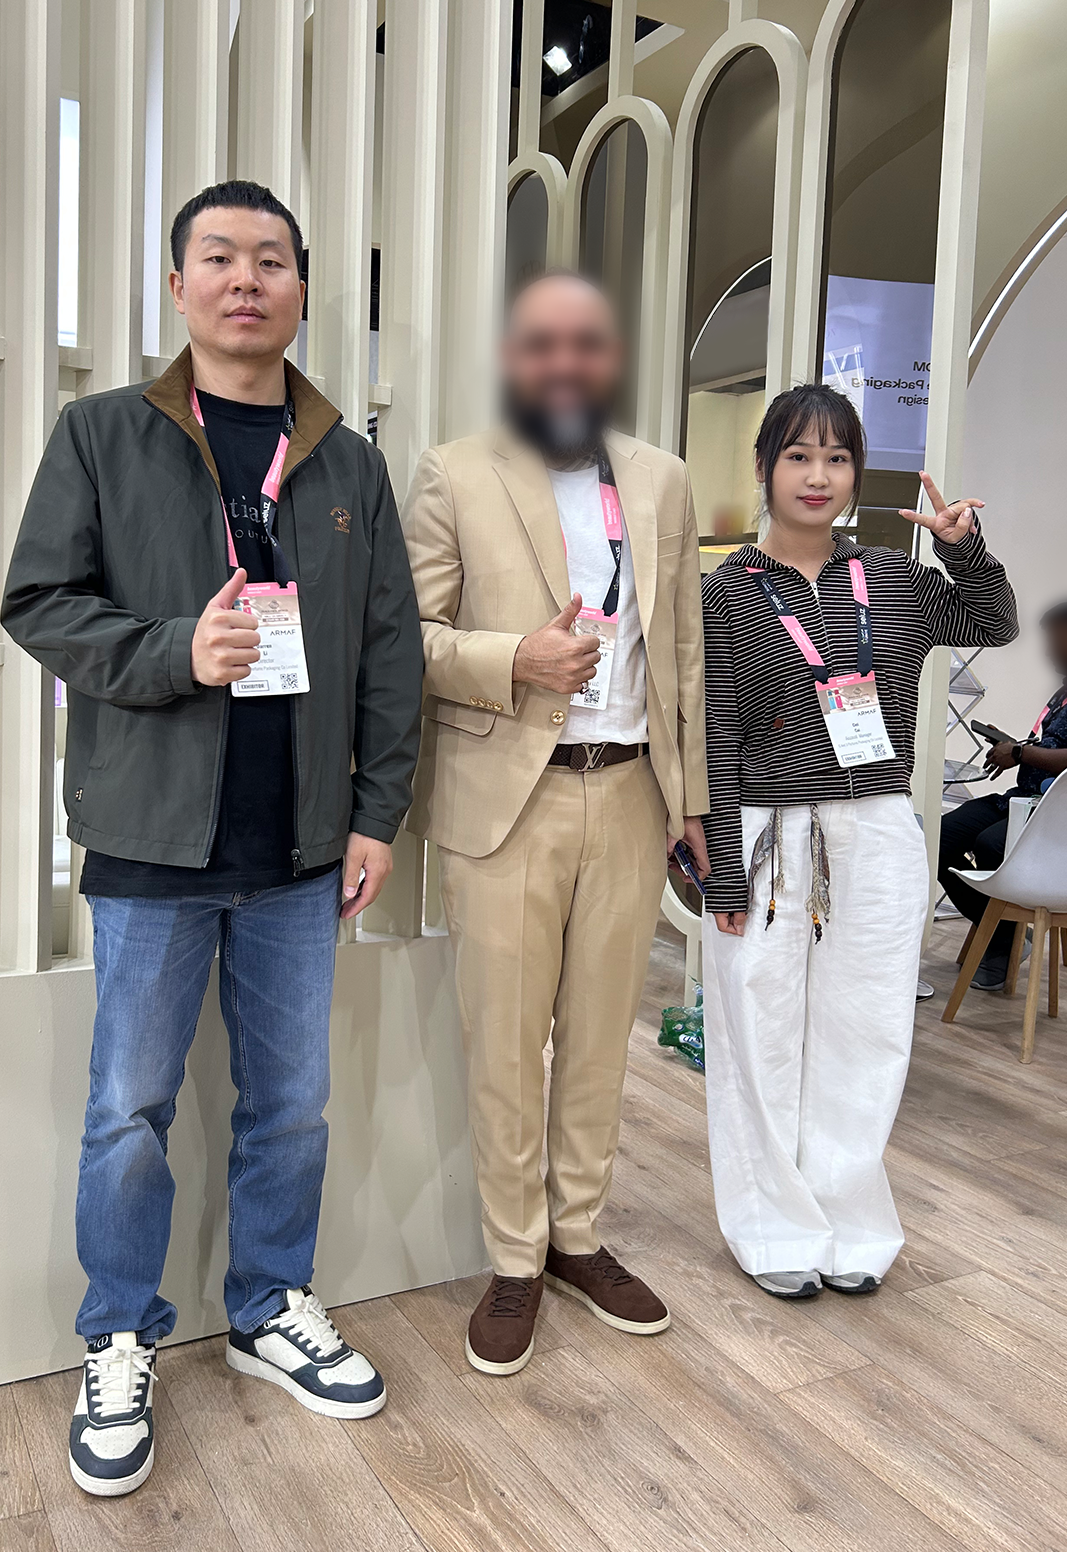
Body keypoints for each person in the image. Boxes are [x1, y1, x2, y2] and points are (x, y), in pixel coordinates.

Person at [2, 179, 423, 1496]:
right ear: (178, 286)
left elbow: (390, 651)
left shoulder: (345, 462)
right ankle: (118, 1334)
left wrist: (376, 813)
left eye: (271, 260)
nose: (247, 279)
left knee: (289, 1106)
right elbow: (38, 602)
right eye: (220, 258)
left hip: (299, 851)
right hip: (150, 843)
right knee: (127, 1111)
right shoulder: (102, 434)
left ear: (300, 289)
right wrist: (173, 651)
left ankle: (267, 1307)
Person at [402, 272, 710, 1374]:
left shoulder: (662, 479)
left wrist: (692, 802)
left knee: (599, 1036)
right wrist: (513, 659)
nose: (565, 363)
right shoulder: (454, 471)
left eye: (586, 342)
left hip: (630, 791)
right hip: (507, 799)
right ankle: (513, 1258)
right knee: (504, 1041)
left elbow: (683, 650)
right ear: (514, 359)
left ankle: (577, 1236)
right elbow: (408, 637)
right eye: (543, 344)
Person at [700, 383, 1017, 1301]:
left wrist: (961, 548)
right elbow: (714, 731)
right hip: (766, 832)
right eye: (798, 455)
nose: (817, 475)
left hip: (875, 827)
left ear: (855, 473)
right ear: (763, 466)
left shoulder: (893, 577)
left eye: (836, 458)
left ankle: (848, 1221)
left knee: (864, 1031)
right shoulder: (727, 591)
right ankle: (771, 1225)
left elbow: (993, 622)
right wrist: (721, 870)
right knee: (758, 1032)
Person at [939, 597, 1067, 986]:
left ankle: (1002, 941)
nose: (1051, 652)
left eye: (1058, 641)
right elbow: (1058, 748)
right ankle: (1005, 935)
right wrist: (1017, 748)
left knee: (993, 845)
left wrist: (1021, 753)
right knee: (938, 840)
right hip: (1027, 801)